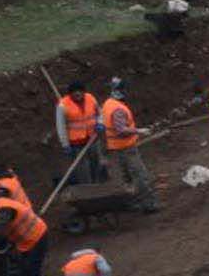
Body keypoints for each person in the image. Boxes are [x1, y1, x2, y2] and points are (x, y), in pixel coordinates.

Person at [97, 78, 159, 211]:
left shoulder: (107, 103)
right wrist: (140, 131)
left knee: (126, 178)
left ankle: (132, 203)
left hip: (116, 148)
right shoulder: (118, 109)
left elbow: (103, 124)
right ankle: (149, 205)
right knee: (140, 176)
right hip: (126, 147)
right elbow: (121, 131)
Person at [54, 76, 103, 188]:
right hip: (77, 143)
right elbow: (60, 127)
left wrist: (100, 123)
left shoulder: (90, 98)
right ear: (70, 94)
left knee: (97, 163)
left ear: (83, 91)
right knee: (83, 169)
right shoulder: (62, 105)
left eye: (79, 91)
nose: (77, 94)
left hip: (93, 138)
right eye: (74, 92)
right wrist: (65, 144)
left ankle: (98, 185)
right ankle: (88, 189)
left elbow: (99, 113)